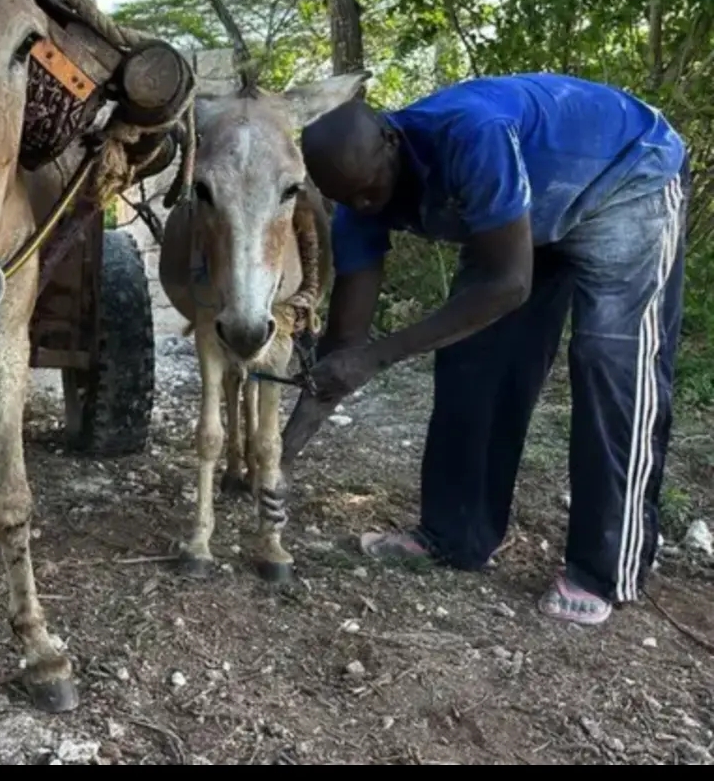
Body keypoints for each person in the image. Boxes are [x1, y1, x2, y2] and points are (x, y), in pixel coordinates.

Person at [287, 71, 688, 626]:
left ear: (391, 141)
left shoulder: (472, 133)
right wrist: (280, 454)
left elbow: (508, 283)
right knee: (473, 359)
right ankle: (456, 534)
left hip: (625, 182)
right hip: (519, 217)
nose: (363, 202)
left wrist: (378, 356)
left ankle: (604, 568)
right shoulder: (356, 199)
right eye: (347, 198)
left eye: (370, 188)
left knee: (611, 363)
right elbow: (346, 342)